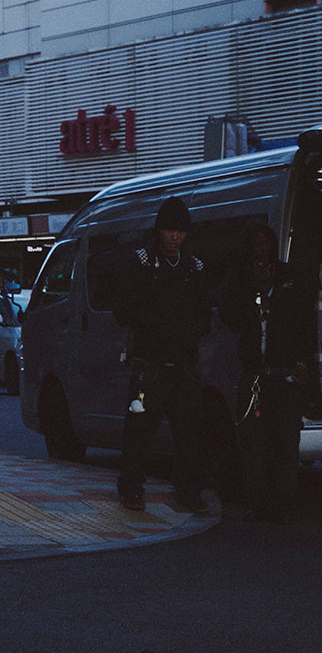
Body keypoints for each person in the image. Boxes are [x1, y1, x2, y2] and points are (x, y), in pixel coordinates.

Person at [111, 196, 212, 513]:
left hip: (183, 365)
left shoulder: (194, 266)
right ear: (159, 230)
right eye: (169, 230)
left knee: (189, 433)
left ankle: (189, 492)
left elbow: (204, 313)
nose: (174, 236)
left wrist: (191, 331)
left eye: (180, 231)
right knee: (139, 430)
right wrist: (156, 325)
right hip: (149, 364)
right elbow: (122, 309)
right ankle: (131, 489)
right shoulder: (141, 261)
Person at [218, 223, 316, 522]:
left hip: (286, 373)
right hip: (255, 374)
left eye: (266, 244)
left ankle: (284, 504)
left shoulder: (288, 277)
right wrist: (251, 287)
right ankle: (257, 502)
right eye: (256, 244)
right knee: (253, 441)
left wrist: (304, 363)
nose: (261, 250)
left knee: (286, 440)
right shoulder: (240, 278)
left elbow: (305, 323)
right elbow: (230, 317)